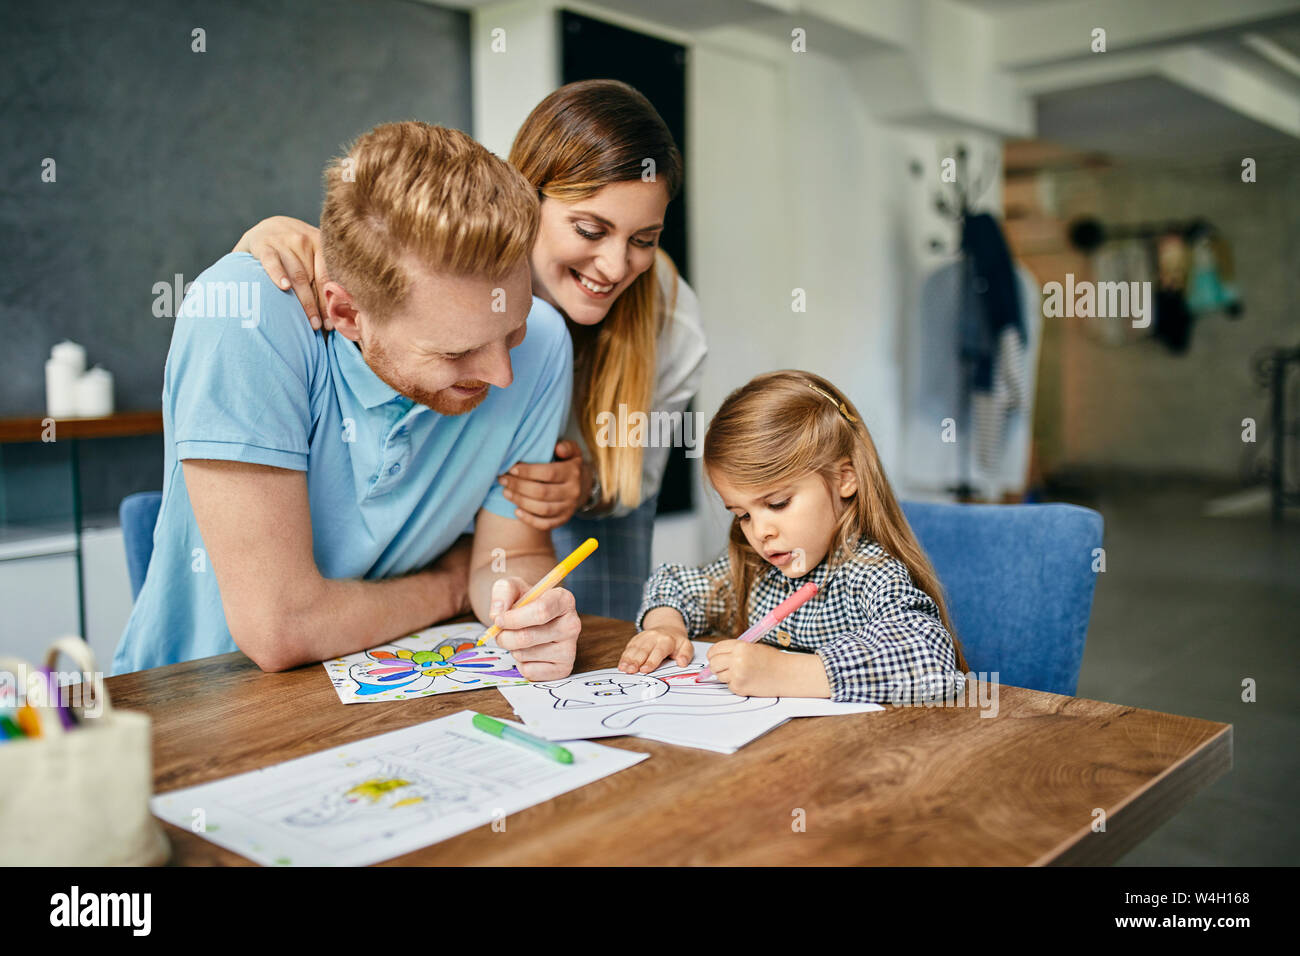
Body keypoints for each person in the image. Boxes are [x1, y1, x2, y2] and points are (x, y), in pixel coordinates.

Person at [111, 121, 581, 678]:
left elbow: (509, 558)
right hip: (193, 707)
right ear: (346, 314)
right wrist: (453, 583)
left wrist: (526, 610)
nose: (503, 375)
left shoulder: (546, 342)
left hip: (395, 688)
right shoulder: (243, 315)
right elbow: (279, 630)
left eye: (513, 332)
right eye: (457, 352)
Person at [234, 80, 707, 623]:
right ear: (525, 196)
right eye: (589, 229)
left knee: (587, 636)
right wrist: (269, 240)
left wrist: (587, 487)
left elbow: (634, 482)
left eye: (644, 239)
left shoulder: (671, 323)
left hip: (564, 514)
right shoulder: (441, 251)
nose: (616, 265)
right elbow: (373, 255)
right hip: (444, 529)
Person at [620, 370, 970, 704]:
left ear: (845, 478)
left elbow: (930, 658)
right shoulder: (756, 568)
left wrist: (786, 672)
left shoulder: (868, 572)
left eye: (777, 503)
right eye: (742, 515)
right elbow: (676, 584)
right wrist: (665, 627)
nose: (760, 532)